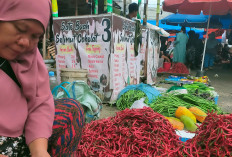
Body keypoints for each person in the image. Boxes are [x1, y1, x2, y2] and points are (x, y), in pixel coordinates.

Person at [0, 0, 85, 156]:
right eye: (20, 28)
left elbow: (40, 102)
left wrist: (39, 149)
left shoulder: (30, 57)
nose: (25, 42)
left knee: (72, 110)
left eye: (35, 36)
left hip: (21, 138)